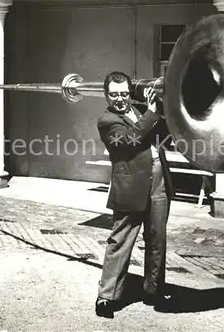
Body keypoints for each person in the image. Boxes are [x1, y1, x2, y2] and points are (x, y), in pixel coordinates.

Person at [95, 71, 174, 318]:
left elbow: (165, 138)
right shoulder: (107, 120)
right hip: (131, 184)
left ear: (130, 93)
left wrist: (164, 111)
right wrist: (152, 112)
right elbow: (129, 140)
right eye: (115, 94)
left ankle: (153, 289)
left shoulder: (141, 110)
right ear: (106, 95)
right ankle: (106, 297)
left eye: (125, 94)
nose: (120, 99)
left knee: (157, 237)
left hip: (158, 177)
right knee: (121, 239)